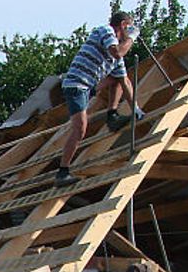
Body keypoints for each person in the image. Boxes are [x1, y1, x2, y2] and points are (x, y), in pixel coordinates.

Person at [56, 12, 140, 186]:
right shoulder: (106, 31)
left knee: (118, 78)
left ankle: (112, 115)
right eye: (129, 27)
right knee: (80, 129)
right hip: (76, 85)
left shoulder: (117, 55)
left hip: (89, 86)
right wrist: (130, 38)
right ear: (124, 25)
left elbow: (125, 82)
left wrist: (136, 109)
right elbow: (117, 53)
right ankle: (62, 173)